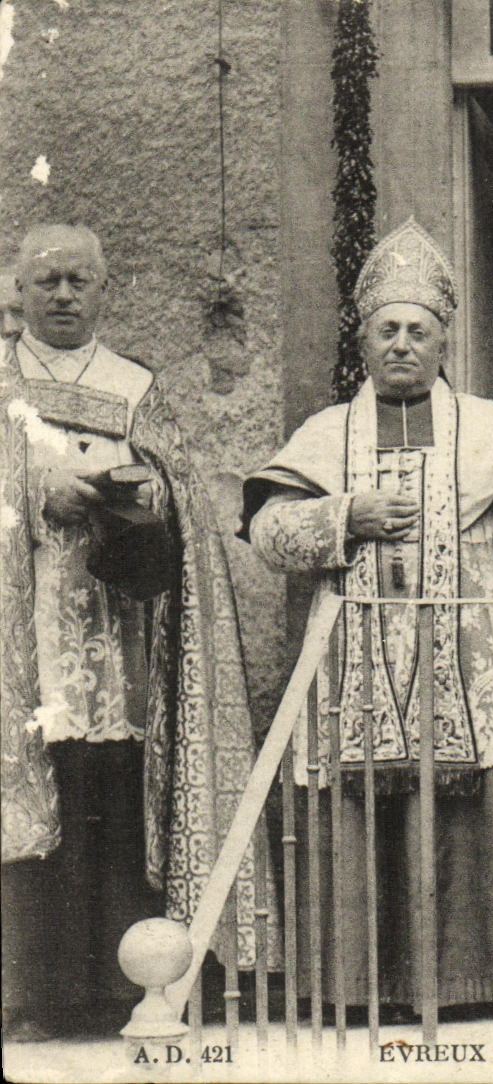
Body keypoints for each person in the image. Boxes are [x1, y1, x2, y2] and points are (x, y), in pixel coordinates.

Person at [240, 217, 493, 1016]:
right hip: (358, 656)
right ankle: (363, 988)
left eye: (418, 331)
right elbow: (270, 535)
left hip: (474, 656)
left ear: (443, 344)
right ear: (362, 342)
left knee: (480, 817)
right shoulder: (327, 435)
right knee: (363, 812)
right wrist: (346, 515)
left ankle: (490, 984)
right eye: (387, 329)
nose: (401, 343)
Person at [1, 225, 263, 1039]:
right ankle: (32, 997)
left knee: (109, 798)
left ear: (105, 291)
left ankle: (123, 991)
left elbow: (184, 500)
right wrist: (35, 487)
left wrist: (151, 501)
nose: (65, 295)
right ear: (20, 291)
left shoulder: (134, 387)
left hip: (119, 637)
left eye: (80, 280)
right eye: (47, 281)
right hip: (22, 635)